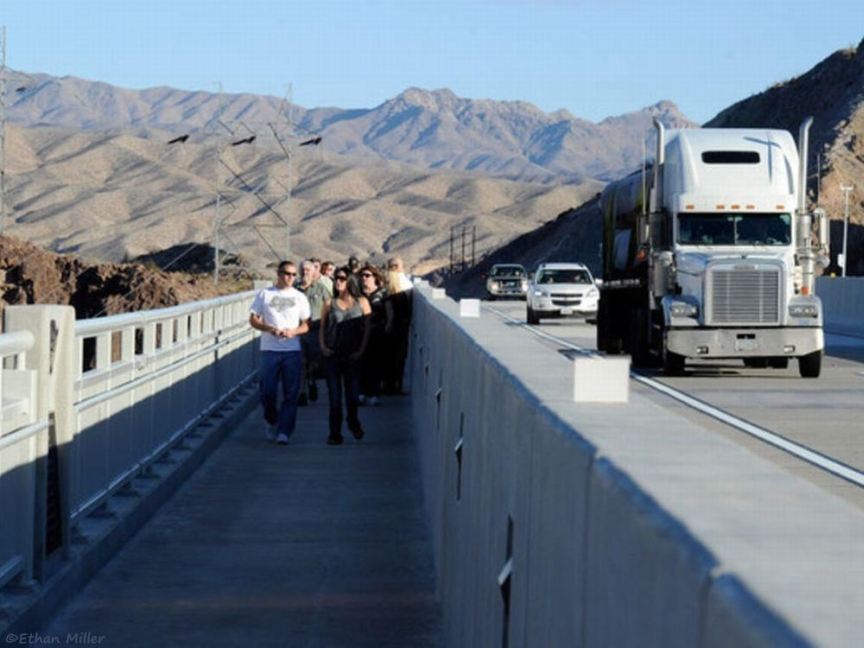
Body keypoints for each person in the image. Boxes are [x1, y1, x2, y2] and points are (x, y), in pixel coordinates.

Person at [249, 261, 310, 445]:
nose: (290, 277)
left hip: (292, 350)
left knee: (291, 393)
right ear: (278, 273)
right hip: (270, 350)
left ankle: (284, 431)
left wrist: (293, 332)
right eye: (286, 273)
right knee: (267, 391)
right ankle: (271, 419)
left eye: (293, 274)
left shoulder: (299, 297)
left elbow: (306, 324)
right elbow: (253, 320)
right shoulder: (265, 294)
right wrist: (269, 328)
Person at [319, 267, 371, 445]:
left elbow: (367, 329)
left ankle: (353, 422)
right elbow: (322, 327)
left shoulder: (362, 302)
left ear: (350, 281)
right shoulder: (329, 303)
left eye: (342, 278)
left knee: (352, 396)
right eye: (336, 278)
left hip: (353, 355)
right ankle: (335, 433)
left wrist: (361, 350)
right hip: (333, 354)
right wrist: (323, 347)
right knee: (334, 397)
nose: (338, 282)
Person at [297, 259, 331, 404]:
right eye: (303, 270)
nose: (305, 272)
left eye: (308, 270)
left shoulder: (321, 289)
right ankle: (302, 392)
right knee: (301, 362)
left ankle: (311, 380)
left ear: (313, 272)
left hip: (316, 331)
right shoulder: (294, 289)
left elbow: (329, 306)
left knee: (313, 363)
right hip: (298, 331)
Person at [358, 264, 393, 406]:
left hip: (377, 333)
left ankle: (374, 393)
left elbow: (389, 313)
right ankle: (361, 393)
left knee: (375, 363)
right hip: (361, 333)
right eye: (362, 276)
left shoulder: (382, 293)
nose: (364, 278)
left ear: (374, 277)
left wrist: (388, 327)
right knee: (361, 363)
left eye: (367, 275)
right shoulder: (358, 294)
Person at [383, 259, 413, 395]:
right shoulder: (404, 286)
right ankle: (394, 385)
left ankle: (390, 385)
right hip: (398, 328)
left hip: (394, 328)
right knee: (397, 358)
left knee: (391, 358)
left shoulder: (390, 286)